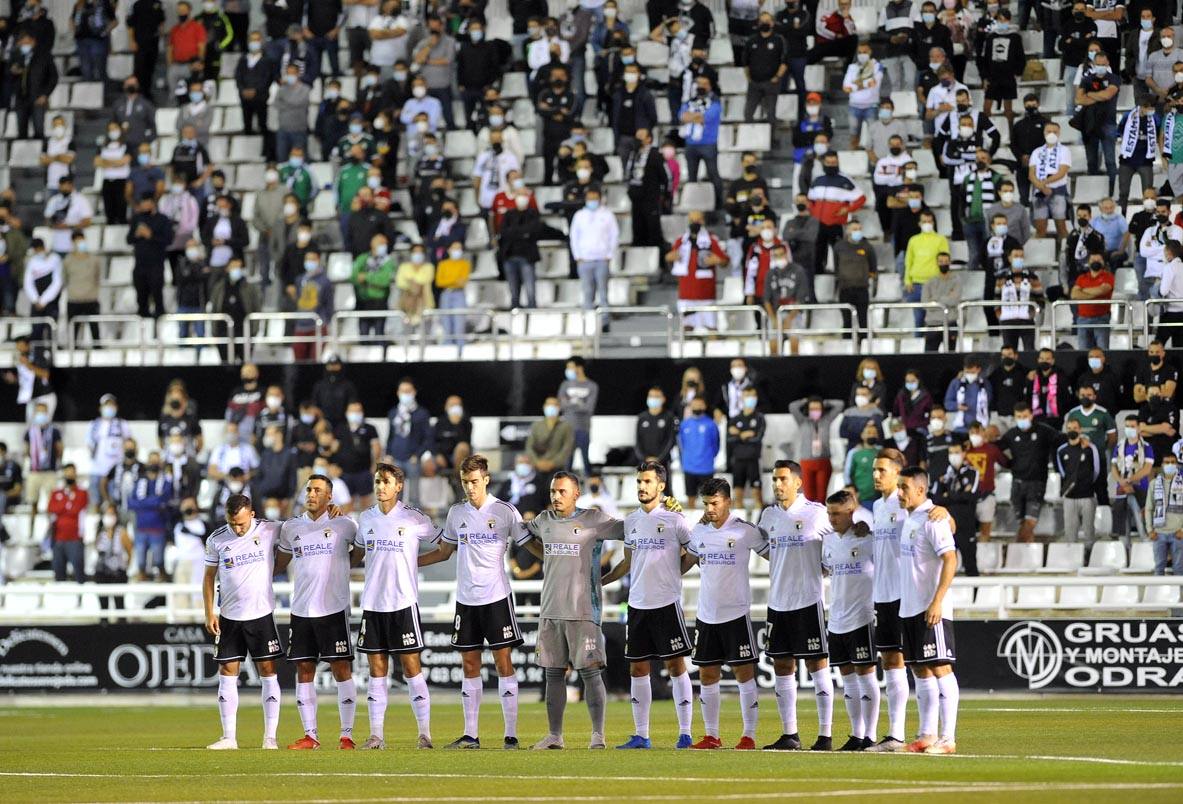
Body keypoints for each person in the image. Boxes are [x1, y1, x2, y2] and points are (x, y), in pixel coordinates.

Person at [416, 455, 527, 749]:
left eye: (475, 482)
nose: (470, 487)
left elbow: (529, 544)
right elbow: (444, 551)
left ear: (486, 479)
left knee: (503, 661)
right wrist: (408, 563)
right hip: (466, 600)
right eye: (465, 482)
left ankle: (511, 735)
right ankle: (471, 734)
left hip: (496, 597)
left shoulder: (505, 512)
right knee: (469, 663)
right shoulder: (456, 514)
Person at [517, 472, 623, 750]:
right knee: (553, 674)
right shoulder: (543, 521)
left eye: (562, 491)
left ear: (576, 493)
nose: (555, 496)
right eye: (553, 491)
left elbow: (628, 530)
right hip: (551, 610)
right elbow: (521, 534)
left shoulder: (594, 520)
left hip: (583, 610)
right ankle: (554, 736)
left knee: (590, 672)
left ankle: (598, 736)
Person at [352, 463, 438, 749]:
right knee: (377, 669)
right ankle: (376, 735)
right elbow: (356, 555)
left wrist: (415, 562)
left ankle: (424, 734)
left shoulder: (414, 519)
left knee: (412, 667)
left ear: (398, 486)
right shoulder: (366, 519)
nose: (380, 487)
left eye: (386, 482)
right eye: (377, 481)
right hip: (373, 604)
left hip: (403, 602)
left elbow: (444, 545)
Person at [756, 460, 839, 751]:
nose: (777, 485)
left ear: (797, 482)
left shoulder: (817, 514)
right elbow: (764, 549)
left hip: (808, 601)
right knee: (782, 665)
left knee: (818, 666)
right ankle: (790, 735)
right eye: (774, 479)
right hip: (778, 602)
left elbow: (837, 545)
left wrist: (824, 567)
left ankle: (826, 736)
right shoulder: (768, 516)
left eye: (782, 479)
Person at [274, 475, 360, 750]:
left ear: (329, 496)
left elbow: (359, 553)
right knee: (304, 669)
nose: (311, 494)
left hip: (333, 608)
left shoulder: (345, 525)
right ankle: (310, 736)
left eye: (317, 490)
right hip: (301, 609)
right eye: (308, 489)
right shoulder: (291, 527)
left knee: (341, 669)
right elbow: (280, 562)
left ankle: (346, 735)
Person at [683, 477, 766, 750]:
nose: (709, 509)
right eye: (706, 503)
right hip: (707, 615)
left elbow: (775, 556)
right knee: (707, 675)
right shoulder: (699, 531)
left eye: (714, 503)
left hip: (736, 614)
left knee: (744, 674)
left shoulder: (744, 531)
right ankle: (711, 735)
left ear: (728, 501)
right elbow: (686, 564)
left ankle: (749, 735)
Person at [202, 495, 284, 750]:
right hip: (229, 616)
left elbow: (302, 528)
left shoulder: (270, 529)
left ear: (252, 514)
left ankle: (270, 737)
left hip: (260, 614)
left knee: (268, 672)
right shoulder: (217, 539)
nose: (237, 529)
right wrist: (208, 612)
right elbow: (208, 578)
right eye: (232, 523)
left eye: (240, 523)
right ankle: (229, 737)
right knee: (227, 672)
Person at [895, 467, 959, 754]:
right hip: (909, 607)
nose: (899, 492)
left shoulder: (934, 519)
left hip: (931, 607)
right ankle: (927, 734)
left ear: (920, 490)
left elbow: (950, 558)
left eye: (904, 487)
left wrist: (937, 601)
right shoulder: (910, 518)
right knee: (920, 670)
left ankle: (948, 738)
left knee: (940, 667)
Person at [820, 489, 879, 749]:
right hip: (837, 619)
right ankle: (856, 735)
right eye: (829, 513)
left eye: (836, 513)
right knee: (847, 679)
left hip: (861, 617)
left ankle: (871, 735)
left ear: (851, 512)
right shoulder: (828, 542)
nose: (831, 518)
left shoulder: (869, 539)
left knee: (866, 676)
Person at [1001, 402, 1062, 543]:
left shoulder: (1043, 431)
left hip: (1037, 483)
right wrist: (1007, 463)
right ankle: (1025, 555)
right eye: (1019, 416)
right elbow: (997, 450)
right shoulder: (1011, 434)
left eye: (1025, 416)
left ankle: (1014, 549)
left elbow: (1061, 439)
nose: (1022, 419)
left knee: (1030, 523)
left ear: (1031, 415)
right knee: (1023, 523)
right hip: (1016, 484)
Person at [668, 211, 727, 331]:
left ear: (703, 221)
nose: (695, 223)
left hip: (706, 294)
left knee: (711, 328)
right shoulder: (680, 241)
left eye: (698, 220)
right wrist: (669, 257)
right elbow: (670, 257)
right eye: (692, 221)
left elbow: (724, 261)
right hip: (686, 294)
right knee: (687, 330)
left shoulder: (711, 241)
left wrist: (718, 260)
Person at [929, 442, 980, 576]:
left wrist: (948, 495)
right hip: (946, 527)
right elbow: (936, 499)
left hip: (966, 526)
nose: (953, 456)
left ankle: (975, 596)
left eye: (956, 452)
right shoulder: (943, 475)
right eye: (951, 453)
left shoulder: (972, 473)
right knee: (945, 568)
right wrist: (957, 495)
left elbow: (969, 497)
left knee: (970, 565)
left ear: (963, 453)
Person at [808, 152, 867, 267]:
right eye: (828, 163)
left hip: (836, 223)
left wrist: (848, 209)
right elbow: (810, 200)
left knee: (839, 250)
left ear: (838, 163)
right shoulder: (818, 180)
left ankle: (840, 276)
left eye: (834, 163)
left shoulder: (845, 180)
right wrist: (813, 214)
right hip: (818, 223)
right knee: (818, 251)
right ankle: (818, 274)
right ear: (823, 163)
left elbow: (861, 198)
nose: (831, 165)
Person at [569, 189, 619, 323]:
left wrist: (609, 254)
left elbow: (614, 235)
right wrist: (577, 256)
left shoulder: (607, 215)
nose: (593, 201)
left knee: (603, 292)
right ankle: (589, 323)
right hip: (584, 260)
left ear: (600, 199)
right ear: (585, 200)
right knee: (587, 293)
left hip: (602, 259)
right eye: (590, 199)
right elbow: (574, 236)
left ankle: (605, 322)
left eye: (595, 198)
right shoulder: (579, 215)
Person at [127, 193, 175, 319]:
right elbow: (129, 239)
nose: (143, 205)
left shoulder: (163, 220)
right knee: (141, 296)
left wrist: (150, 235)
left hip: (156, 264)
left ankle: (158, 325)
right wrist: (137, 235)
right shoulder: (137, 219)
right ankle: (143, 324)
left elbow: (168, 240)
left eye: (146, 202)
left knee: (157, 295)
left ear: (153, 203)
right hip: (140, 264)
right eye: (142, 203)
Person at [679, 74, 724, 208]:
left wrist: (692, 116)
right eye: (699, 84)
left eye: (704, 84)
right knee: (691, 177)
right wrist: (696, 116)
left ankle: (718, 204)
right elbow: (682, 116)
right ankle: (693, 204)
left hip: (708, 143)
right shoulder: (689, 101)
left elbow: (705, 118)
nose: (701, 87)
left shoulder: (715, 101)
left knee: (713, 174)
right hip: (690, 144)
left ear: (710, 86)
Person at [386, 380, 434, 506]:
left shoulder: (422, 413)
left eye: (408, 391)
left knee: (414, 494)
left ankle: (414, 519)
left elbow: (428, 438)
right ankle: (396, 519)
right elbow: (391, 435)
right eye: (403, 391)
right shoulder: (393, 413)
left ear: (414, 392)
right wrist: (388, 454)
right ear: (398, 393)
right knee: (396, 493)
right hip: (396, 457)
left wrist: (418, 455)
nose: (405, 394)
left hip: (412, 458)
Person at [1055, 419, 1102, 544]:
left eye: (1075, 428)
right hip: (1070, 497)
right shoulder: (1061, 451)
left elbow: (1096, 470)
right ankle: (1072, 558)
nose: (1072, 431)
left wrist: (1085, 483)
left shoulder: (1090, 448)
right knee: (1070, 532)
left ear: (1080, 430)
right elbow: (1063, 473)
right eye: (1069, 428)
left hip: (1087, 496)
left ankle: (1089, 557)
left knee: (1089, 531)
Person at [126, 457, 173, 580]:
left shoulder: (166, 483)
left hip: (157, 528)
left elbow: (161, 501)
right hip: (141, 528)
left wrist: (142, 504)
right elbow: (131, 503)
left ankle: (162, 579)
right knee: (140, 562)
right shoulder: (139, 483)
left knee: (158, 561)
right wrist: (153, 503)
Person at [904, 211, 949, 336]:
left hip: (934, 284)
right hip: (917, 284)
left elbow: (944, 261)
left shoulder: (941, 240)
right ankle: (918, 349)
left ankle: (932, 347)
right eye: (924, 221)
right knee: (918, 318)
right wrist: (908, 280)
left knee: (934, 319)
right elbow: (909, 261)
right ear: (919, 223)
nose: (927, 224)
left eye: (929, 221)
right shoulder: (913, 240)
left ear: (933, 223)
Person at [1113, 413, 1155, 544]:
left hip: (1140, 489)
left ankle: (1146, 547)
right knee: (1123, 524)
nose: (1129, 429)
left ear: (1138, 428)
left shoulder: (1146, 447)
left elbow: (1147, 469)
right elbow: (1113, 468)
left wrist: (1129, 480)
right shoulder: (1119, 446)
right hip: (1122, 489)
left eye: (1132, 426)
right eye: (1127, 426)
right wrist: (1121, 481)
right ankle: (1124, 552)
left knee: (1140, 519)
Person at [10, 31, 58, 139]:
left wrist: (45, 94)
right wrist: (12, 72)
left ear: (33, 42)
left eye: (26, 43)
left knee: (39, 131)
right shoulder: (16, 55)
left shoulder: (44, 56)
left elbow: (53, 77)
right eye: (21, 44)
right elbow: (7, 75)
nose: (23, 46)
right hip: (20, 99)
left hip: (37, 98)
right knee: (21, 133)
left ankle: (39, 154)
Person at [1028, 122, 1072, 239]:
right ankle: (1040, 254)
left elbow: (1062, 172)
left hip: (1058, 191)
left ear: (1059, 133)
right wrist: (1042, 187)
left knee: (1061, 227)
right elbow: (1031, 174)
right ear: (1044, 133)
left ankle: (1066, 253)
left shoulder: (1064, 150)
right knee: (1040, 228)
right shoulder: (1036, 152)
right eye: (1049, 131)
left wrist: (1044, 183)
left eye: (1055, 131)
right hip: (1039, 192)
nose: (1051, 134)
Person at [996, 250, 1044, 351]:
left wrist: (1033, 314)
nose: (1019, 258)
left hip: (1026, 319)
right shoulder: (1001, 276)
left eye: (1021, 256)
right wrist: (1000, 315)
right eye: (1016, 256)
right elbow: (996, 298)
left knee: (1029, 350)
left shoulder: (1032, 276)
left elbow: (1039, 298)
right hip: (1007, 320)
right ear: (1009, 258)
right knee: (1009, 350)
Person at [834, 220, 876, 334]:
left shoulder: (867, 247)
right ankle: (846, 347)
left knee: (863, 321)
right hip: (845, 289)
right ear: (848, 231)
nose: (857, 232)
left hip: (862, 289)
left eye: (859, 229)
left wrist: (867, 277)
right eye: (854, 229)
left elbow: (873, 267)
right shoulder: (839, 247)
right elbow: (836, 266)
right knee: (847, 322)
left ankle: (865, 346)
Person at [47, 464, 88, 583]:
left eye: (72, 473)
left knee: (79, 572)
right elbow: (51, 509)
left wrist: (63, 508)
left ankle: (81, 600)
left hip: (75, 538)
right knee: (59, 573)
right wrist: (67, 504)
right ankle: (61, 600)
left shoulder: (82, 492)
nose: (69, 475)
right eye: (67, 473)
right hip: (58, 539)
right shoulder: (56, 493)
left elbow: (76, 509)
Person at [558, 358, 599, 474]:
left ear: (579, 368)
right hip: (567, 429)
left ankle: (591, 490)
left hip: (583, 429)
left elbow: (588, 408)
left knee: (586, 462)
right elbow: (561, 405)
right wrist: (579, 402)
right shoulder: (565, 385)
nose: (568, 370)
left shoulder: (592, 386)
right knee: (567, 464)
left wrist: (570, 402)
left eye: (571, 367)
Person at [744, 12, 786, 122]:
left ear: (772, 23)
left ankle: (772, 139)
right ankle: (750, 138)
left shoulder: (779, 40)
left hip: (771, 83)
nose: (764, 23)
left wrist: (777, 77)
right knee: (748, 114)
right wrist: (749, 78)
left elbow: (785, 62)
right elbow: (746, 62)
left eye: (767, 21)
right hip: (754, 83)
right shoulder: (751, 40)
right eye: (762, 22)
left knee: (771, 115)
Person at [1145, 453, 1183, 575]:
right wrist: (1150, 530)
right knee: (1159, 568)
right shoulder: (1154, 484)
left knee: (1179, 569)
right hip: (1159, 533)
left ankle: (1180, 594)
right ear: (1162, 465)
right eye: (1167, 462)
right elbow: (1149, 508)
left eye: (1173, 462)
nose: (1170, 465)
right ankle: (1157, 594)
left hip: (1178, 533)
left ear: (1177, 464)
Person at [842, 42, 884, 150]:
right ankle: (854, 159)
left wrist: (855, 85)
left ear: (870, 52)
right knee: (853, 136)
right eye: (859, 52)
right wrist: (864, 84)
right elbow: (846, 88)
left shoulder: (877, 66)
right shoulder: (852, 67)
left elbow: (873, 83)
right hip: (854, 106)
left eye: (864, 52)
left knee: (873, 137)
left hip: (871, 106)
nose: (862, 54)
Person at [679, 398, 720, 508]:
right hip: (689, 467)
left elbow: (716, 445)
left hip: (706, 468)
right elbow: (681, 444)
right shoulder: (684, 424)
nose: (697, 407)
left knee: (708, 499)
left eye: (699, 404)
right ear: (690, 406)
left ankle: (708, 523)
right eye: (694, 404)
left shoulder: (711, 424)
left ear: (704, 406)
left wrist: (709, 457)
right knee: (690, 497)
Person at [1071, 254, 1115, 349]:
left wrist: (1083, 290)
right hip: (1082, 319)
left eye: (1099, 259)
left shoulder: (1108, 276)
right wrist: (1094, 294)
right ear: (1088, 262)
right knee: (1083, 351)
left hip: (1101, 318)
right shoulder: (1081, 277)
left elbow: (1102, 290)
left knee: (1103, 350)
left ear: (1103, 262)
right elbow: (1074, 295)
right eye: (1093, 259)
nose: (1096, 261)